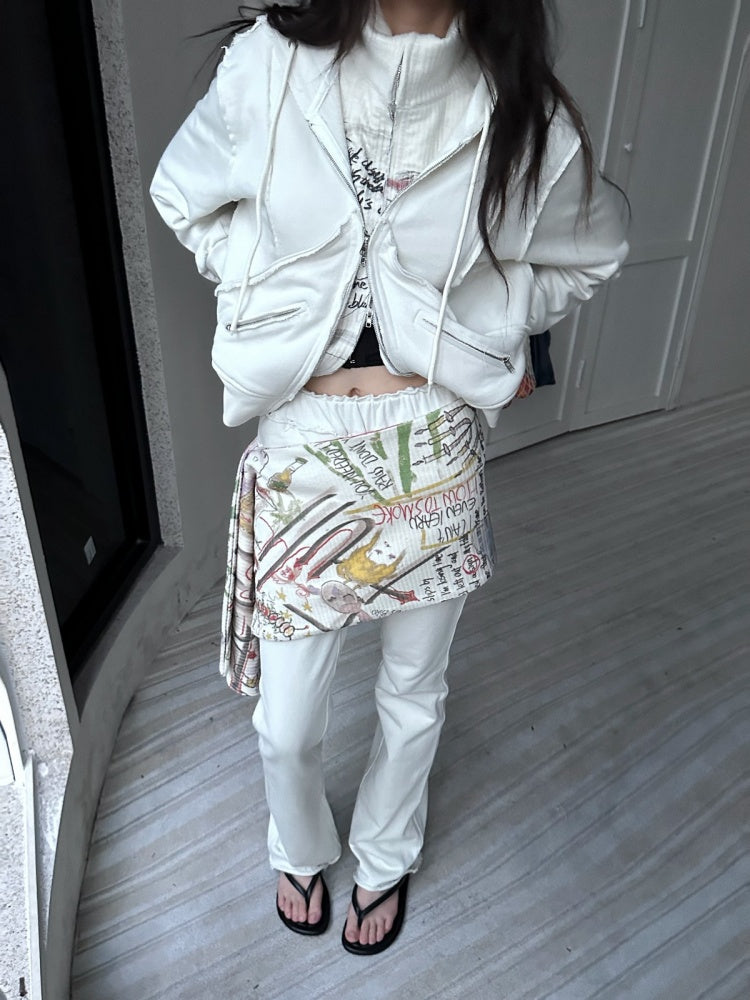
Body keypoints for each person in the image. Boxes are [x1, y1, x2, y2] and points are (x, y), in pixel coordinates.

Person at [150, 0, 629, 956]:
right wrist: (266, 286)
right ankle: (298, 843)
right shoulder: (271, 62)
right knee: (287, 721)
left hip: (430, 437)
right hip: (306, 432)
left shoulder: (516, 104)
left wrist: (492, 317)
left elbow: (596, 249)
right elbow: (183, 195)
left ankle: (386, 854)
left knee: (413, 689)